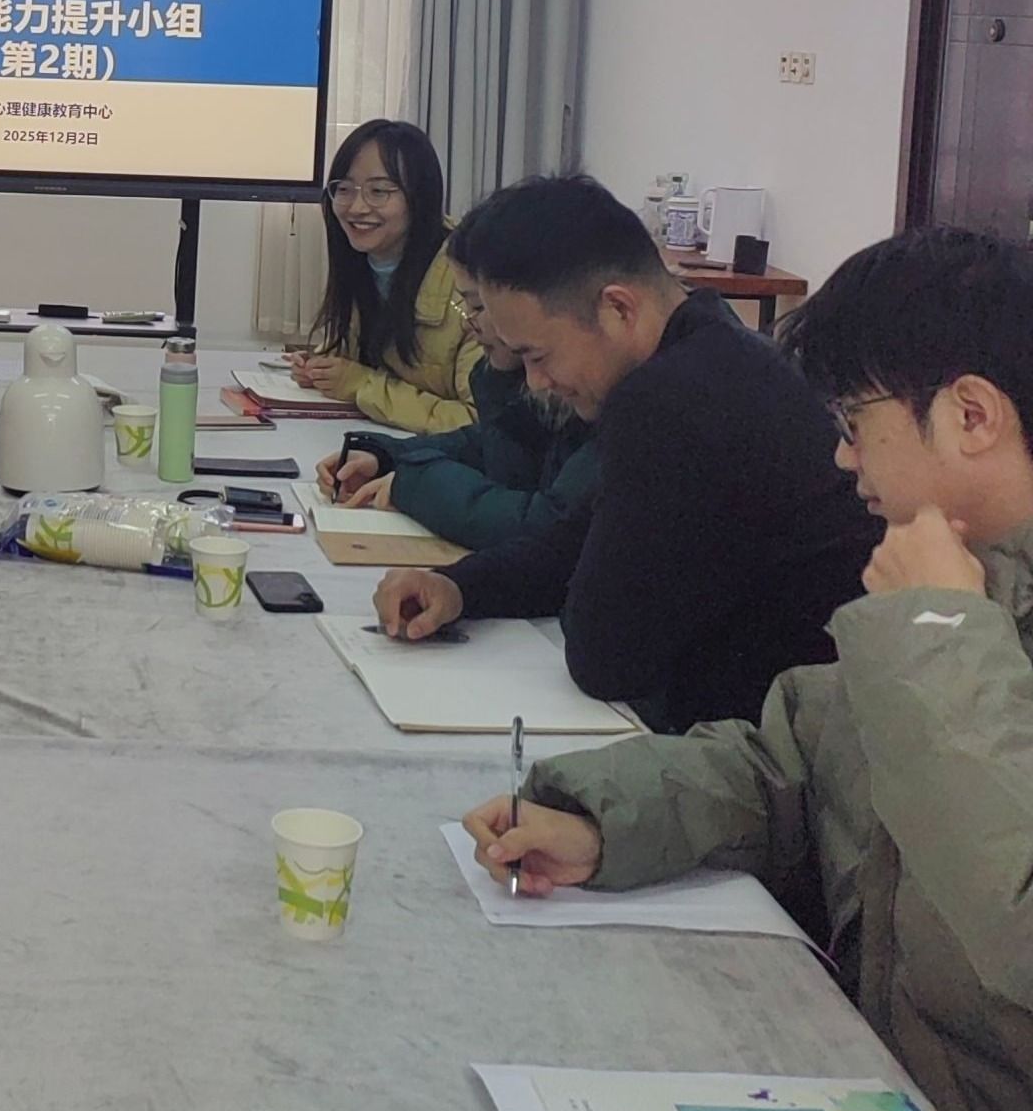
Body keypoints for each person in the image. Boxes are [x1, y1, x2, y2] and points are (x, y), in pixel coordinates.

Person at [461, 227, 1033, 1111]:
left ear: (969, 415)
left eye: (855, 421)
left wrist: (938, 634)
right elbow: (788, 766)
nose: (842, 458)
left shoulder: (941, 614)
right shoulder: (959, 582)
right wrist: (600, 820)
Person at [373, 176, 878, 730]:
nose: (537, 382)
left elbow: (604, 658)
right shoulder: (715, 346)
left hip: (766, 736)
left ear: (618, 308)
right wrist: (460, 586)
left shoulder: (669, 398)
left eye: (538, 355)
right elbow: (577, 537)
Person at [311, 209, 599, 549]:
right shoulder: (515, 378)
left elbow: (547, 526)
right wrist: (386, 457)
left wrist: (416, 483)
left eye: (477, 307)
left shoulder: (613, 402)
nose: (467, 323)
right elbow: (491, 442)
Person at [289, 118, 483, 432]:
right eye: (344, 189)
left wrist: (362, 385)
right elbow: (363, 363)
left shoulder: (471, 284)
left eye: (379, 191)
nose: (356, 207)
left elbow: (477, 422)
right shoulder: (363, 261)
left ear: (419, 198)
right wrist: (321, 367)